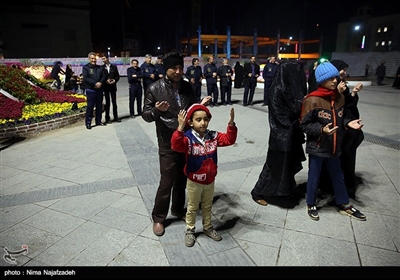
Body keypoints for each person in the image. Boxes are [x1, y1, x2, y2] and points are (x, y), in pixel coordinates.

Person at [142, 52, 211, 237]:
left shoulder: (188, 86)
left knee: (182, 179)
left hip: (186, 140)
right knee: (167, 182)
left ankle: (178, 209)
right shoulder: (154, 88)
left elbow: (192, 109)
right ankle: (158, 218)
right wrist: (156, 110)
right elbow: (146, 114)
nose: (179, 71)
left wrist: (200, 105)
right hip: (167, 142)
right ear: (167, 69)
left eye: (181, 68)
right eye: (175, 68)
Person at [300, 62, 366, 221]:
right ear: (321, 80)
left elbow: (341, 118)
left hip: (335, 147)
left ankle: (344, 204)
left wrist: (347, 123)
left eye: (335, 77)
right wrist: (322, 130)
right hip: (318, 147)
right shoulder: (312, 100)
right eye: (330, 78)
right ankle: (311, 203)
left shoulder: (340, 97)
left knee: (338, 175)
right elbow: (304, 125)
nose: (335, 81)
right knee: (314, 176)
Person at [171, 104, 237, 247]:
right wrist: (180, 128)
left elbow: (229, 140)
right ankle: (190, 230)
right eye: (198, 119)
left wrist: (231, 124)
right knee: (193, 207)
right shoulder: (187, 138)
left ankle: (208, 227)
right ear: (190, 122)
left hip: (210, 180)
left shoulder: (213, 136)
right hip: (194, 181)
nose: (203, 123)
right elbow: (175, 145)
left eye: (205, 119)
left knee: (207, 206)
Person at [250, 61, 306, 208]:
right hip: (280, 135)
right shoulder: (276, 90)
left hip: (291, 134)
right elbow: (280, 115)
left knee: (288, 165)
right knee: (273, 165)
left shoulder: (289, 88)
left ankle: (285, 191)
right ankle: (258, 192)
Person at [327, 59, 364, 198]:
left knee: (347, 158)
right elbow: (332, 107)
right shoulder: (331, 85)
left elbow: (348, 105)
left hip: (348, 127)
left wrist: (353, 92)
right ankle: (334, 187)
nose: (345, 72)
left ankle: (344, 186)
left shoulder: (342, 84)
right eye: (343, 69)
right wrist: (338, 93)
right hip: (339, 128)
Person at [82, 52, 107, 129]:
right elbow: (86, 78)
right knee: (90, 107)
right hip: (91, 90)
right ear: (89, 59)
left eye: (94, 58)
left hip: (99, 90)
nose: (93, 60)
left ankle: (98, 121)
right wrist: (95, 83)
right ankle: (88, 123)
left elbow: (104, 76)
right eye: (92, 58)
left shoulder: (100, 68)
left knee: (99, 106)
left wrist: (100, 83)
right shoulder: (86, 68)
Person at [101, 54, 121, 123]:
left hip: (113, 87)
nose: (103, 60)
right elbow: (101, 77)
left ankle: (116, 117)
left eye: (104, 59)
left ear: (107, 58)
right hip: (106, 87)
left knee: (114, 102)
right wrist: (106, 81)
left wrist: (114, 80)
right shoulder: (102, 68)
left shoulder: (114, 67)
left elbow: (117, 76)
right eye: (102, 59)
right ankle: (107, 118)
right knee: (108, 103)